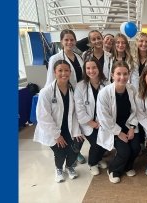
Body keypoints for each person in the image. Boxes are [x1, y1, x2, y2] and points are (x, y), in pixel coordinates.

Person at [34, 59, 82, 183]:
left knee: (76, 145)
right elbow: (43, 116)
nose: (63, 73)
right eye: (60, 70)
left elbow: (75, 113)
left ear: (70, 72)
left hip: (69, 126)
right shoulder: (46, 92)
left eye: (66, 70)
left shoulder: (72, 90)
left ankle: (70, 166)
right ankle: (59, 168)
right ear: (54, 72)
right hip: (53, 129)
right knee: (60, 152)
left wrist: (76, 131)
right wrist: (56, 135)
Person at [44, 29, 86, 164]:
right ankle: (69, 154)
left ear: (75, 41)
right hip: (62, 95)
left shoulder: (78, 57)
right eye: (66, 40)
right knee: (65, 127)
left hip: (77, 95)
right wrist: (51, 97)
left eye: (72, 40)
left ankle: (74, 151)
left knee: (77, 127)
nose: (69, 42)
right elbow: (51, 79)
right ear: (61, 41)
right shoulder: (55, 58)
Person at [96, 61, 141, 184]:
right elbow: (104, 118)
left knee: (136, 148)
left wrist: (132, 127)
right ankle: (113, 170)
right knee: (124, 151)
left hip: (129, 125)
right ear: (112, 75)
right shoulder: (104, 93)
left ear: (129, 74)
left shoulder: (132, 89)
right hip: (112, 128)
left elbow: (137, 110)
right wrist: (119, 133)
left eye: (125, 74)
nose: (122, 77)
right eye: (118, 74)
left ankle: (128, 167)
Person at [74, 57, 110, 176]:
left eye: (94, 67)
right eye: (88, 68)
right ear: (85, 70)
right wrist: (92, 123)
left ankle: (99, 159)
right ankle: (92, 163)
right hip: (88, 123)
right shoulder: (80, 86)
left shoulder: (107, 84)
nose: (91, 70)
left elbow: (111, 105)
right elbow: (79, 110)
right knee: (96, 143)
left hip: (104, 121)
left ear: (99, 68)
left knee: (106, 142)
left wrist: (102, 121)